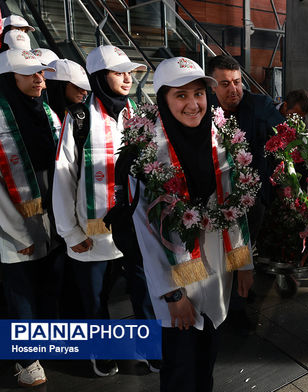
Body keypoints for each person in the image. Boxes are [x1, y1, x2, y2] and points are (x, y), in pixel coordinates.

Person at [128, 56, 254, 391]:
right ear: (163, 100)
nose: (193, 104)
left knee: (206, 362)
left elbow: (235, 207)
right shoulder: (148, 155)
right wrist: (173, 295)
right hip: (178, 279)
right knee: (180, 368)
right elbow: (146, 232)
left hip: (215, 274)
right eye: (180, 95)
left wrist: (243, 263)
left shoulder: (219, 140)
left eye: (198, 94)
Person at [53, 45, 154, 377]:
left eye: (129, 72)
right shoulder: (79, 118)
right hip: (93, 230)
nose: (127, 78)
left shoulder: (136, 114)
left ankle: (150, 350)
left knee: (144, 291)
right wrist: (69, 232)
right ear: (99, 77)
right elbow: (64, 177)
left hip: (134, 227)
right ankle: (102, 351)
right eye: (118, 72)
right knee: (96, 298)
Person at [0, 49, 64, 387]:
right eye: (32, 74)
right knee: (20, 293)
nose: (41, 79)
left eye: (42, 73)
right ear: (11, 79)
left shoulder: (46, 112)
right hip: (12, 227)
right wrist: (19, 233)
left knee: (46, 286)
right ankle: (25, 359)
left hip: (48, 219)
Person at [206, 55, 284, 331]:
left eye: (238, 82)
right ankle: (221, 299)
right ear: (212, 87)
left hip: (252, 198)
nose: (234, 90)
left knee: (244, 250)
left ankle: (238, 306)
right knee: (220, 254)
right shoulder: (202, 108)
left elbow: (284, 138)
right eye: (225, 84)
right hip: (213, 198)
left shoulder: (259, 105)